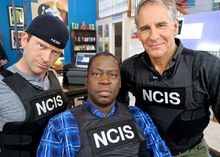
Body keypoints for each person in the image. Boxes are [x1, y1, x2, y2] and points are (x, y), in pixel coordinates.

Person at [117, 0, 220, 157]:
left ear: (175, 27)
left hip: (190, 151)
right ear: (138, 33)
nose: (153, 36)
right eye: (145, 28)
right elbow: (117, 107)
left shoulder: (206, 66)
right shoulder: (129, 67)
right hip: (147, 149)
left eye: (161, 25)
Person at [37, 52, 172, 157]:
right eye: (96, 74)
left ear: (120, 82)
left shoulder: (139, 116)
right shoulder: (60, 126)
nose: (105, 81)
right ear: (87, 80)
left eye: (112, 75)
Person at [0, 14, 69, 157]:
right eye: (41, 46)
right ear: (24, 40)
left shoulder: (52, 75)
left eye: (55, 52)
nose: (46, 59)